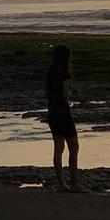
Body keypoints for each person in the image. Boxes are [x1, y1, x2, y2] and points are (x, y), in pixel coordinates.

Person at [45, 44, 83, 192]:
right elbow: (66, 95)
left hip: (52, 113)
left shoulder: (51, 72)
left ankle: (61, 183)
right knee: (74, 148)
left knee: (58, 149)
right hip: (63, 113)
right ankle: (74, 184)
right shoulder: (65, 73)